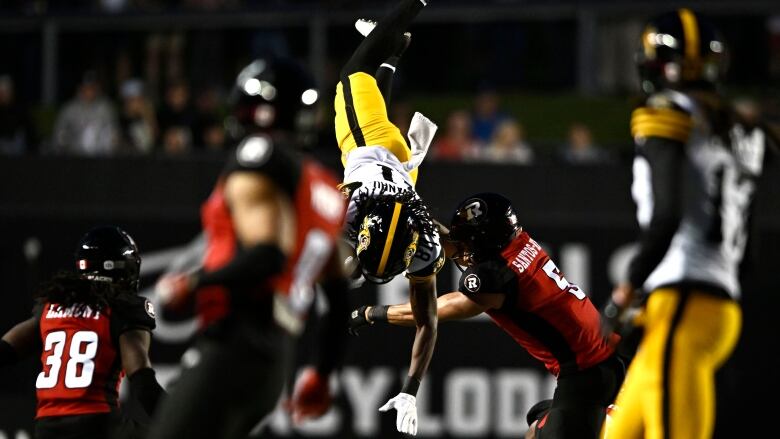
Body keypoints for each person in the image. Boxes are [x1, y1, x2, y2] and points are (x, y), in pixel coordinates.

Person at [149, 56, 350, 439]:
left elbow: (267, 255)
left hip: (238, 339)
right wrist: (322, 375)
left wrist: (192, 284)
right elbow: (338, 299)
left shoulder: (260, 160)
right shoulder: (323, 186)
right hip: (276, 356)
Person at [604, 9, 775, 439]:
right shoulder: (743, 130)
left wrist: (626, 290)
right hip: (712, 305)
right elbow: (748, 253)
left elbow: (666, 216)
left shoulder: (667, 111)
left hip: (683, 300)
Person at [350, 193, 625, 439]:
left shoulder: (493, 278)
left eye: (468, 241)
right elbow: (463, 250)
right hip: (608, 357)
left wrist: (371, 312)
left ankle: (611, 423)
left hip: (585, 375)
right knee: (534, 430)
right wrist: (418, 226)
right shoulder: (518, 243)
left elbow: (430, 313)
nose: (463, 248)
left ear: (483, 243)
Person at [334, 1, 445, 435]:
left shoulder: (425, 244)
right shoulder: (357, 209)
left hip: (407, 168)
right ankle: (404, 13)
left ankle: (392, 50)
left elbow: (427, 324)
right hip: (371, 149)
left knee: (373, 98)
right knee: (351, 75)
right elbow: (428, 320)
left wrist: (411, 388)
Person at [0, 226, 164, 439]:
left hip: (46, 429)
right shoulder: (121, 308)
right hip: (96, 425)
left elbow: (5, 350)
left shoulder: (51, 306)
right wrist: (181, 419)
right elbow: (141, 379)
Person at [51, 71, 120, 156]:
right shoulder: (69, 109)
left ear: (97, 88)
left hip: (101, 157)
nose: (89, 91)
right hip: (75, 157)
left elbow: (114, 134)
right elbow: (59, 135)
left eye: (92, 88)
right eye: (86, 88)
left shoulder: (106, 108)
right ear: (80, 88)